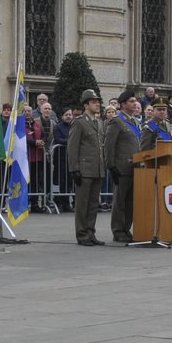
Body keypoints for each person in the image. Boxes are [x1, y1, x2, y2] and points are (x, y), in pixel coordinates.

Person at [67, 87, 108, 246]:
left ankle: (91, 232)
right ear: (86, 105)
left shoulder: (99, 122)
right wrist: (74, 169)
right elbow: (72, 147)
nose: (97, 104)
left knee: (93, 204)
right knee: (82, 204)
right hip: (84, 170)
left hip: (97, 169)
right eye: (93, 102)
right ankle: (82, 234)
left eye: (97, 102)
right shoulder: (79, 123)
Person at [107, 88, 143, 243]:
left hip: (135, 167)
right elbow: (109, 145)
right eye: (131, 101)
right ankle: (118, 230)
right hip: (121, 167)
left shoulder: (134, 121)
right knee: (120, 201)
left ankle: (126, 229)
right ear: (123, 104)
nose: (135, 104)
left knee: (130, 202)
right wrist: (111, 166)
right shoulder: (117, 121)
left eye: (135, 101)